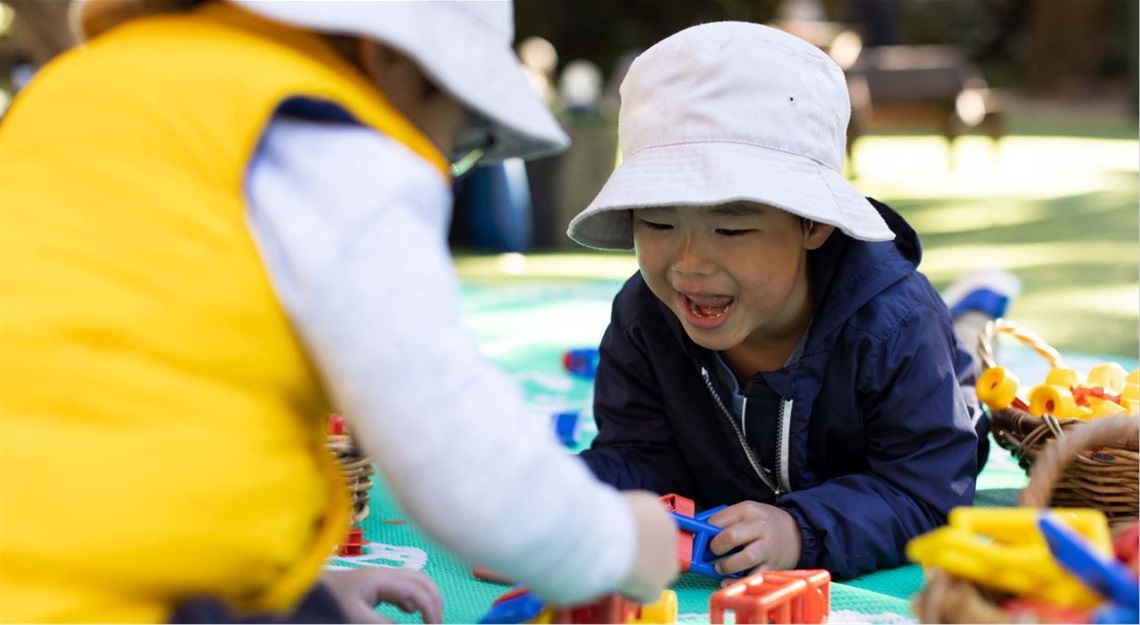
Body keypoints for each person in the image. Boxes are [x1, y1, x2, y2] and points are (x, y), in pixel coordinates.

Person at [0, 0, 678, 621]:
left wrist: (303, 583)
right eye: (461, 132)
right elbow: (459, 457)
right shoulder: (335, 137)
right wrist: (618, 543)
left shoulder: (75, 93)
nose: (443, 160)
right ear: (390, 58)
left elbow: (129, 411)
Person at [566, 21, 1019, 580]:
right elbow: (643, 459)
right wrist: (562, 503)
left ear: (814, 225)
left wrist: (800, 530)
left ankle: (975, 306)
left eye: (730, 230)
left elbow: (926, 492)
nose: (688, 263)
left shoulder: (896, 323)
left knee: (962, 339)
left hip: (926, 358)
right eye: (658, 223)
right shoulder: (645, 317)